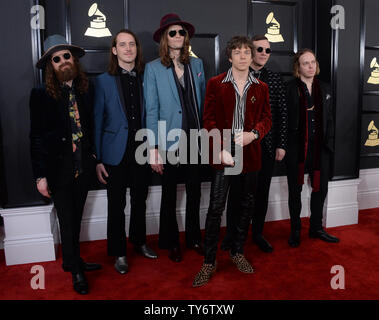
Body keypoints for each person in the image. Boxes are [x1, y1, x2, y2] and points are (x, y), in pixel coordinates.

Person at [192, 36, 272, 287]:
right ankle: (209, 260)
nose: (242, 56)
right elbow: (208, 121)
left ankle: (237, 251)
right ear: (229, 57)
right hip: (223, 154)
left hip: (250, 154)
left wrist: (254, 134)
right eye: (237, 52)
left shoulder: (261, 87)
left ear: (251, 56)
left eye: (246, 51)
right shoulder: (216, 84)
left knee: (246, 205)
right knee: (216, 207)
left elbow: (267, 119)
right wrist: (218, 150)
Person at [29, 34, 101, 295]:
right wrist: (40, 176)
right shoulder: (40, 94)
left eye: (66, 56)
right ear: (51, 65)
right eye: (56, 59)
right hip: (58, 169)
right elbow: (35, 136)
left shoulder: (85, 88)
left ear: (73, 59)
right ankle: (76, 271)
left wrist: (94, 158)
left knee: (77, 215)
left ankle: (74, 260)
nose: (62, 62)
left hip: (83, 166)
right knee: (67, 220)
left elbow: (91, 127)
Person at [93, 29, 157, 275]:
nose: (128, 48)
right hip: (113, 152)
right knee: (116, 204)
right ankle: (119, 252)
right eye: (123, 44)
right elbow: (97, 120)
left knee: (140, 200)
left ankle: (139, 242)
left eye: (132, 44)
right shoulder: (102, 81)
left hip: (141, 149)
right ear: (114, 50)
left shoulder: (145, 77)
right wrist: (98, 159)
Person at [144, 13, 206, 262]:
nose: (178, 36)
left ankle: (193, 238)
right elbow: (151, 110)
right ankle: (171, 242)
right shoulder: (153, 68)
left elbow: (203, 104)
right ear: (164, 38)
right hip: (168, 139)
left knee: (194, 192)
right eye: (173, 33)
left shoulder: (197, 65)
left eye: (181, 32)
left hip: (195, 139)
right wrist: (153, 148)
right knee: (169, 194)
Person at [221, 35, 287, 253]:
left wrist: (281, 144)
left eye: (268, 51)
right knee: (236, 194)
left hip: (266, 147)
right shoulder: (236, 76)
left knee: (261, 192)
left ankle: (257, 234)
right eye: (259, 49)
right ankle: (231, 235)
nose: (264, 54)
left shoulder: (275, 79)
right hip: (238, 147)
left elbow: (281, 115)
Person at [286, 48, 339, 247]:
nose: (310, 66)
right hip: (297, 149)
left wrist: (330, 144)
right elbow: (283, 120)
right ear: (298, 67)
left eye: (313, 62)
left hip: (320, 149)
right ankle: (295, 230)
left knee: (320, 189)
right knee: (295, 191)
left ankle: (316, 228)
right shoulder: (290, 88)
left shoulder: (325, 88)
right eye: (305, 63)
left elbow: (331, 119)